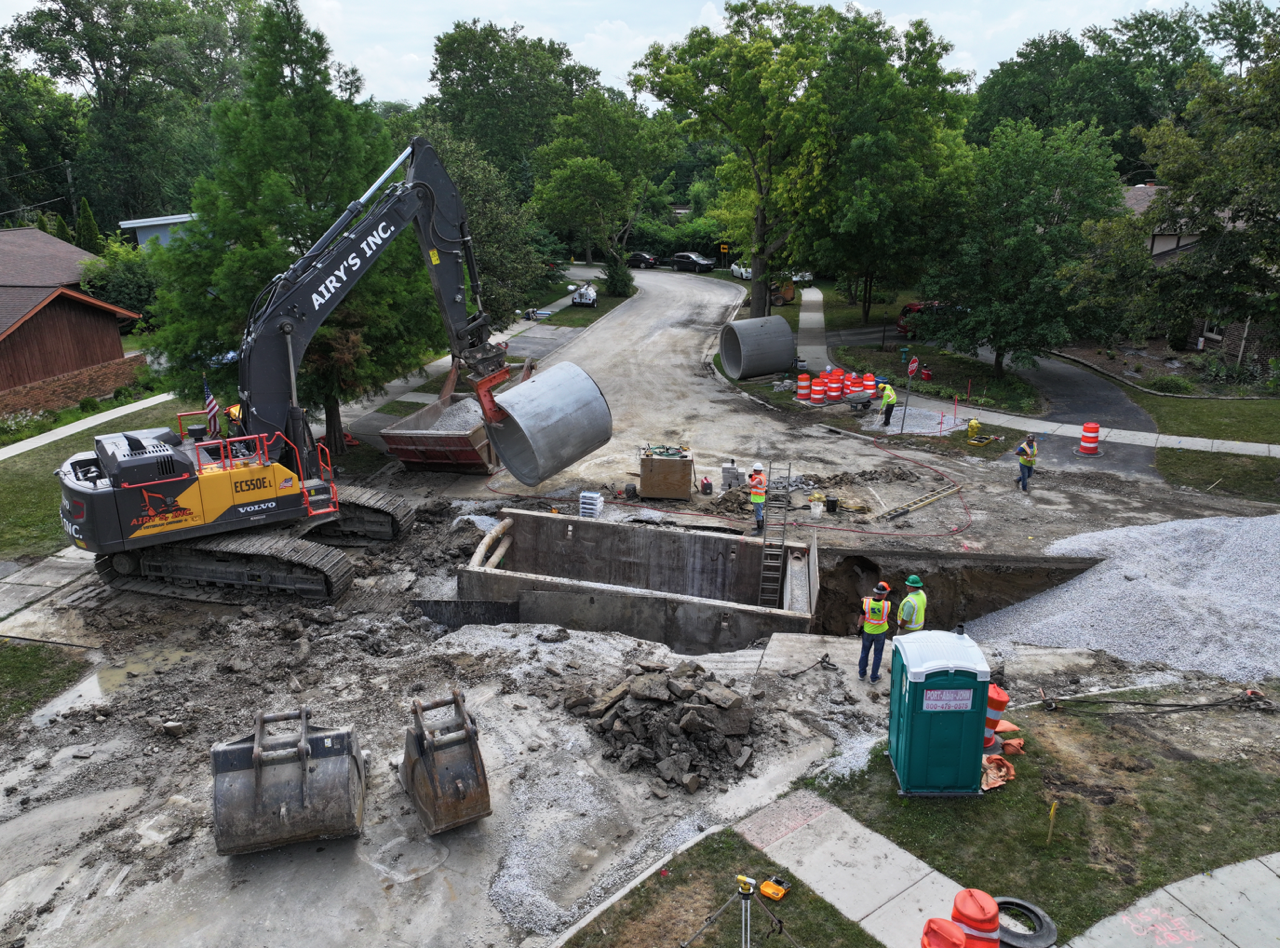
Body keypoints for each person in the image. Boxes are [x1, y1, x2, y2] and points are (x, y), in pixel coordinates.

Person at [857, 581, 892, 682]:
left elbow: (861, 617)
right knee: (877, 655)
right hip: (880, 633)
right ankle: (873, 678)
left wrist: (859, 627)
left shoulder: (866, 603)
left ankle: (861, 674)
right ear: (885, 593)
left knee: (864, 653)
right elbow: (880, 602)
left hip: (867, 631)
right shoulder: (887, 605)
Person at [749, 462, 767, 535]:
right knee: (759, 513)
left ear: (758, 471)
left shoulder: (759, 479)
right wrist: (752, 476)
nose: (753, 471)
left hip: (758, 499)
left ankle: (759, 531)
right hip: (758, 498)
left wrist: (750, 479)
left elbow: (751, 485)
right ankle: (760, 527)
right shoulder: (760, 475)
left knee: (758, 514)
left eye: (754, 470)